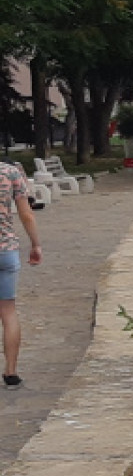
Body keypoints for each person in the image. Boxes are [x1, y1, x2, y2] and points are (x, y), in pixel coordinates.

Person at [1, 157, 44, 389]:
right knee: (8, 311)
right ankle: (11, 372)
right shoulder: (11, 173)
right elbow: (27, 214)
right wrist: (35, 245)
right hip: (6, 251)